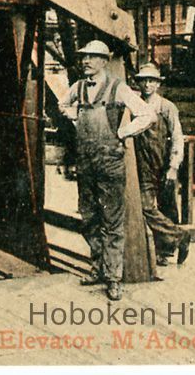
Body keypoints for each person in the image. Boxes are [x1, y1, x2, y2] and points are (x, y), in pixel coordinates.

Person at [59, 40, 156, 301]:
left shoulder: (118, 88)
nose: (86, 61)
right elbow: (61, 105)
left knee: (113, 222)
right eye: (84, 57)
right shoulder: (78, 87)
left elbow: (147, 115)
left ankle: (113, 278)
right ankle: (98, 269)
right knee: (89, 216)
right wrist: (73, 117)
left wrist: (123, 132)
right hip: (86, 162)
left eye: (92, 57)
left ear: (104, 61)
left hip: (110, 163)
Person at [133, 63, 191, 267]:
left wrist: (174, 166)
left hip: (163, 164)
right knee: (146, 206)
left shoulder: (167, 107)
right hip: (142, 166)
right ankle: (179, 236)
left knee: (168, 207)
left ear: (158, 84)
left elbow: (177, 137)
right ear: (138, 83)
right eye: (143, 81)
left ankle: (165, 252)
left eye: (151, 81)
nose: (147, 84)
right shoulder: (134, 105)